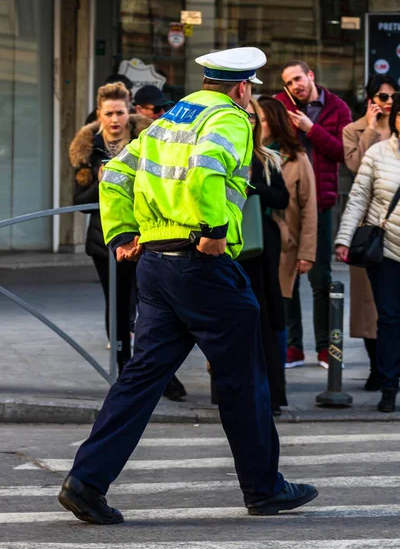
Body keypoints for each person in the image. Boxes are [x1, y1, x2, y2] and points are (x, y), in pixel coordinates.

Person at [58, 47, 318, 524]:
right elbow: (205, 172)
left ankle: (86, 480)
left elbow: (114, 173)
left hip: (156, 264)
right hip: (201, 265)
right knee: (243, 378)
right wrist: (214, 232)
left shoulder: (167, 121)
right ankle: (263, 487)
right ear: (242, 88)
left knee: (140, 378)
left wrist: (123, 233)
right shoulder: (230, 117)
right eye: (251, 90)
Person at [69, 82, 152, 375]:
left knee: (148, 304)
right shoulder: (86, 151)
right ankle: (122, 367)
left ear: (128, 112)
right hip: (104, 238)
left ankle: (150, 368)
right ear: (99, 114)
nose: (115, 119)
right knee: (116, 303)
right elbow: (78, 201)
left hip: (146, 235)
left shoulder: (147, 140)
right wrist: (101, 182)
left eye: (120, 112)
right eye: (109, 113)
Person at [275, 60, 352, 368]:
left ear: (311, 76)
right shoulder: (279, 106)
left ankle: (325, 347)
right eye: (289, 82)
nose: (296, 86)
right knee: (286, 278)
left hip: (320, 203)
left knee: (321, 278)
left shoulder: (337, 108)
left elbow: (342, 152)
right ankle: (293, 346)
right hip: (285, 205)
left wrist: (311, 129)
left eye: (299, 78)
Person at [336, 96, 400, 413]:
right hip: (386, 250)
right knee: (388, 319)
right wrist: (344, 239)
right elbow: (359, 199)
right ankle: (389, 387)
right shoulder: (377, 154)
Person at [257, 95, 317, 368]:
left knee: (278, 309)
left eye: (264, 119)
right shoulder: (249, 154)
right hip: (252, 245)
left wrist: (306, 253)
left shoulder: (297, 158)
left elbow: (309, 208)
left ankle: (276, 370)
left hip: (285, 245)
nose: (258, 123)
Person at [241, 97, 289, 416]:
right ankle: (235, 393)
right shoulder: (221, 152)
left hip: (261, 243)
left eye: (254, 117)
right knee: (232, 319)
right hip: (227, 243)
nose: (250, 121)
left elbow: (282, 198)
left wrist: (254, 188)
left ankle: (270, 395)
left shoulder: (267, 157)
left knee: (264, 316)